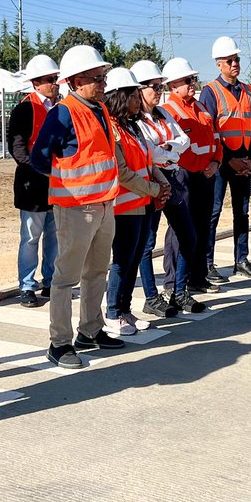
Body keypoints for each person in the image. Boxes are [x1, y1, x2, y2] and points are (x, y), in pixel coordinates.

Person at [28, 44, 129, 369]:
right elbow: (39, 158)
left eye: (103, 76)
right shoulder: (63, 112)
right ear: (74, 81)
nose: (102, 82)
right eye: (95, 77)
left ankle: (90, 329)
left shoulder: (100, 110)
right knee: (65, 278)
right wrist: (67, 180)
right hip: (75, 207)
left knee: (97, 271)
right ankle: (59, 342)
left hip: (103, 205)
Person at [102, 67, 170, 335]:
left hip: (142, 204)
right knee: (121, 260)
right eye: (132, 94)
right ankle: (112, 313)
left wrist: (161, 182)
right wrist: (154, 189)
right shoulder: (112, 128)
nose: (136, 99)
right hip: (124, 206)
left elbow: (147, 159)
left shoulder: (133, 126)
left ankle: (125, 310)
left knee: (133, 260)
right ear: (120, 96)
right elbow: (123, 173)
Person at [199, 36, 251, 281]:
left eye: (237, 59)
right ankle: (207, 262)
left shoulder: (248, 91)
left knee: (243, 212)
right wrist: (228, 160)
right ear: (219, 64)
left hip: (245, 162)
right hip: (220, 162)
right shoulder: (210, 92)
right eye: (230, 60)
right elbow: (209, 131)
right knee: (213, 212)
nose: (235, 64)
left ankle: (241, 259)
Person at [132, 59, 193, 320]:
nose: (158, 91)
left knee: (187, 236)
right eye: (153, 87)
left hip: (173, 176)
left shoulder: (163, 114)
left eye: (160, 86)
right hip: (152, 180)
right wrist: (169, 149)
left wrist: (169, 148)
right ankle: (150, 296)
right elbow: (149, 150)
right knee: (147, 242)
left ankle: (178, 291)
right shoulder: (134, 119)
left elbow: (184, 140)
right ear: (139, 89)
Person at [160, 57, 221, 313]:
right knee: (179, 230)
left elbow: (216, 137)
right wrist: (199, 165)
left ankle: (196, 277)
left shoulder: (202, 108)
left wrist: (216, 162)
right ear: (173, 85)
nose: (192, 84)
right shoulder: (169, 110)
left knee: (201, 225)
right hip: (184, 174)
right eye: (187, 80)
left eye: (193, 79)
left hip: (206, 174)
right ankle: (173, 282)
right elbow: (176, 147)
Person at [7, 54, 60, 308]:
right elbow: (17, 149)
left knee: (54, 236)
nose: (56, 83)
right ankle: (27, 286)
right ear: (36, 83)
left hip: (55, 186)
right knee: (30, 238)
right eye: (51, 79)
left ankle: (50, 281)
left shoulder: (59, 109)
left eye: (56, 78)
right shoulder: (25, 109)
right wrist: (41, 169)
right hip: (33, 186)